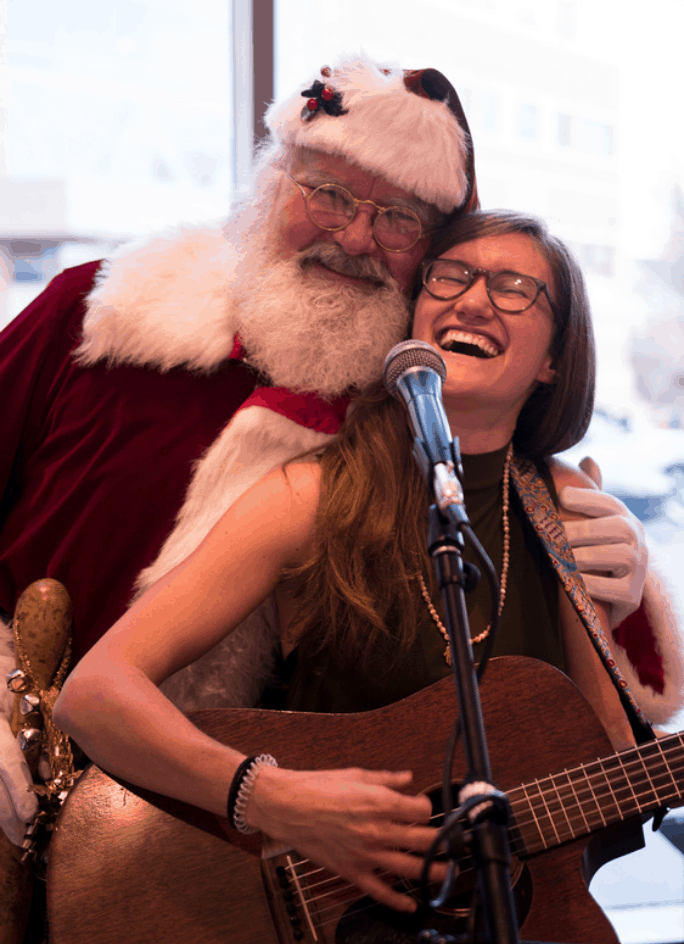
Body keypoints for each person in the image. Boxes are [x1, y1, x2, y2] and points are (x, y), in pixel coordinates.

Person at [0, 57, 662, 855]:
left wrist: (629, 572)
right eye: (329, 195)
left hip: (202, 861)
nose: (353, 237)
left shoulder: (409, 411)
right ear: (271, 181)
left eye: (398, 218)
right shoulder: (99, 311)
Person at [53, 210, 684, 923]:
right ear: (415, 315)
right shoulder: (313, 494)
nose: (473, 299)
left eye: (513, 288)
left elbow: (609, 761)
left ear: (554, 360)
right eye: (451, 276)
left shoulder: (568, 510)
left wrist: (635, 625)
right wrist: (268, 798)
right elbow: (95, 693)